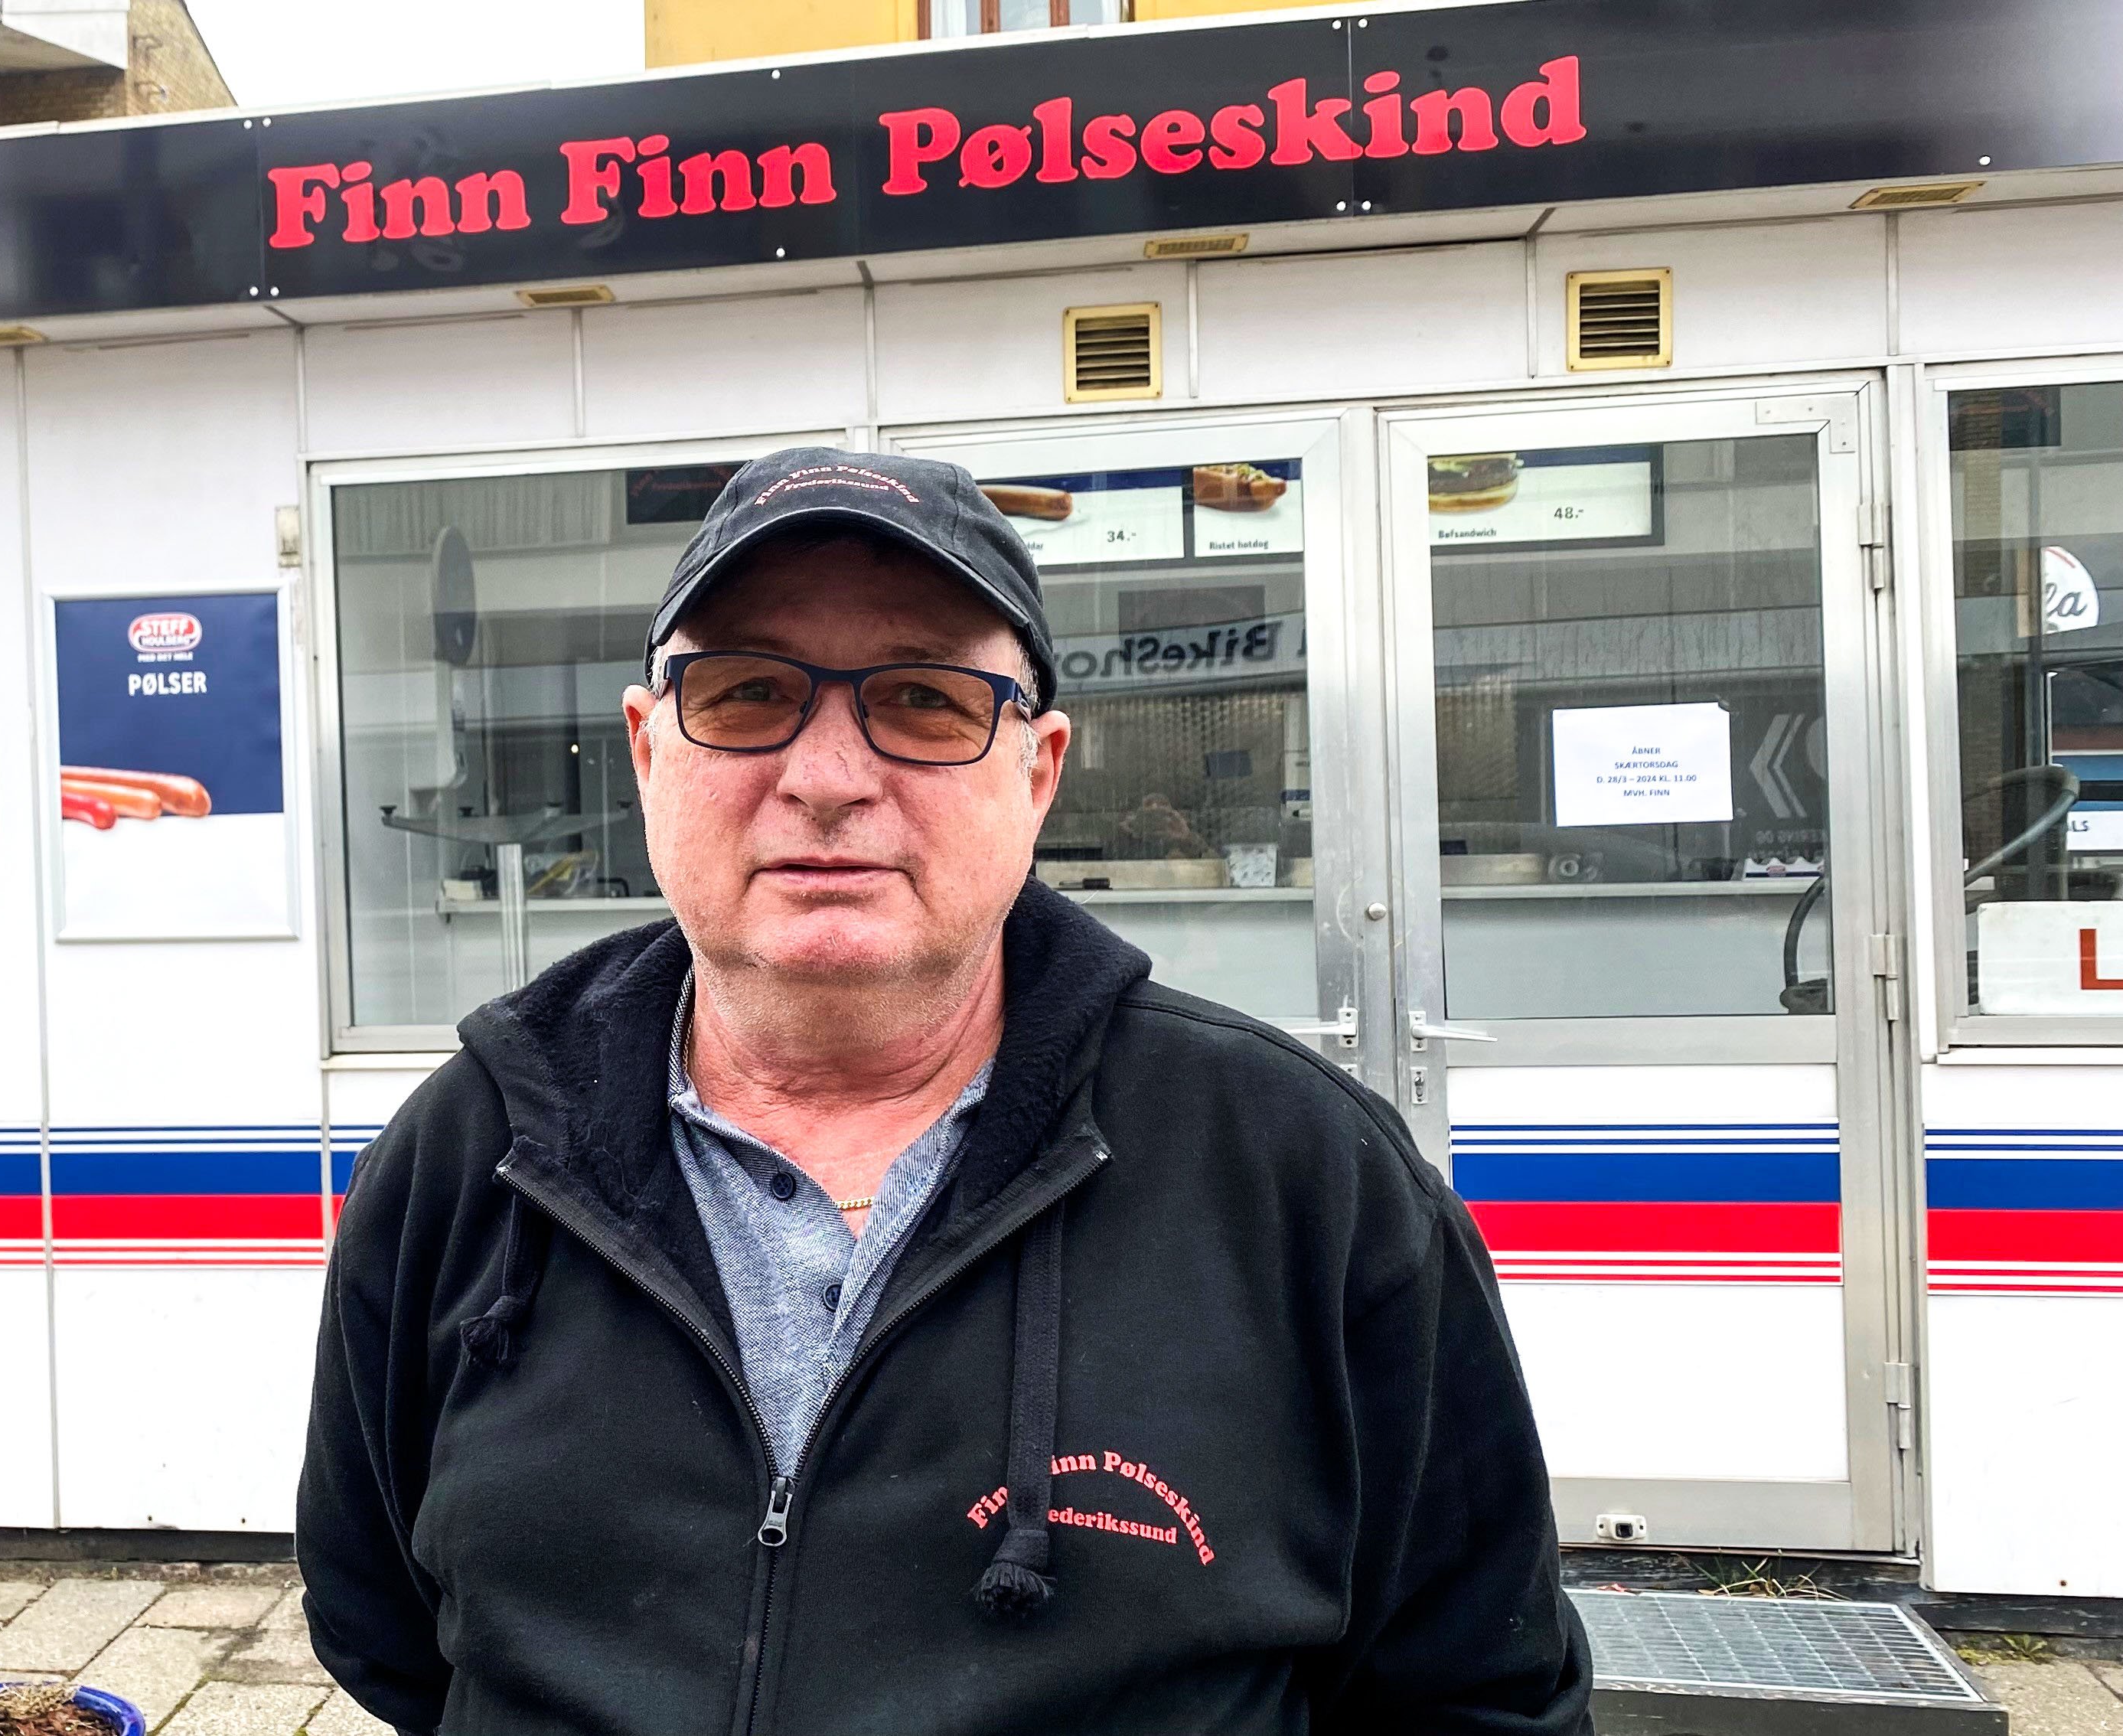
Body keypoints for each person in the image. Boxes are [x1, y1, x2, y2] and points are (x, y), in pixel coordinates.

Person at [298, 447, 1593, 1735]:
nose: (826, 777)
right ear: (648, 751)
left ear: (1039, 771)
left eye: (924, 699)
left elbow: (1479, 1695)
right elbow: (387, 1632)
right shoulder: (475, 1150)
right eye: (747, 693)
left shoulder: (1302, 1177)